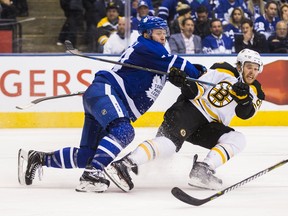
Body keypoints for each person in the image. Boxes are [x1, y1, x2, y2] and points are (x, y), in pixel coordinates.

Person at [19, 16, 204, 193]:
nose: (163, 36)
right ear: (147, 34)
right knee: (124, 131)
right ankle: (91, 176)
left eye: (164, 32)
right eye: (158, 32)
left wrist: (180, 76)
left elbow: (178, 71)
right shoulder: (148, 47)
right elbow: (186, 67)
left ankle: (37, 158)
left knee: (88, 156)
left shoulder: (156, 57)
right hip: (107, 93)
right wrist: (200, 72)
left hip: (103, 97)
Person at [106, 48, 265, 191]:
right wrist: (184, 83)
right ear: (239, 66)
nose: (252, 72)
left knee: (238, 139)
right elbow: (196, 90)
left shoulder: (256, 90)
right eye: (249, 67)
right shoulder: (224, 70)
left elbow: (245, 114)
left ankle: (202, 169)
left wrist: (244, 99)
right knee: (168, 146)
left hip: (209, 127)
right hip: (189, 111)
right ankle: (124, 164)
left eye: (256, 69)